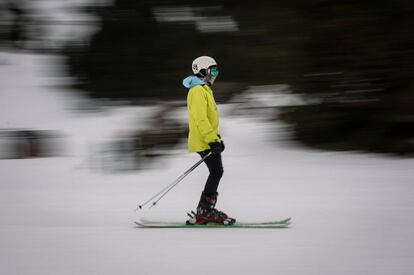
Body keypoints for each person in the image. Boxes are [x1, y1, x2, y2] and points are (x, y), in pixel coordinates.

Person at [182, 56, 235, 225]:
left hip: (207, 139)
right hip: (203, 140)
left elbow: (209, 119)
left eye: (217, 70)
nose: (215, 74)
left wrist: (216, 138)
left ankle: (204, 210)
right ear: (203, 71)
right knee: (217, 171)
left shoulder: (204, 89)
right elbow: (200, 119)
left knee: (216, 171)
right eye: (213, 70)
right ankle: (204, 211)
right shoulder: (197, 91)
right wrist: (212, 140)